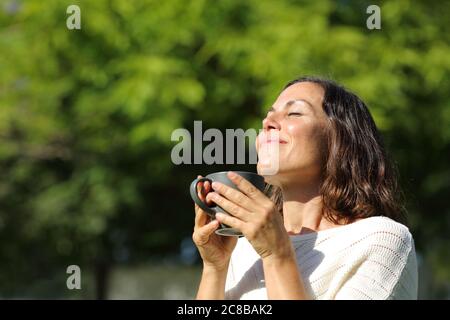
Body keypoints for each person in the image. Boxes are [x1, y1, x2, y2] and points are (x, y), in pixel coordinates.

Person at [192, 76, 418, 300]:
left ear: (339, 139)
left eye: (294, 113)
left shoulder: (382, 240)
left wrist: (277, 255)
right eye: (268, 116)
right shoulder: (243, 251)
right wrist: (215, 268)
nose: (266, 123)